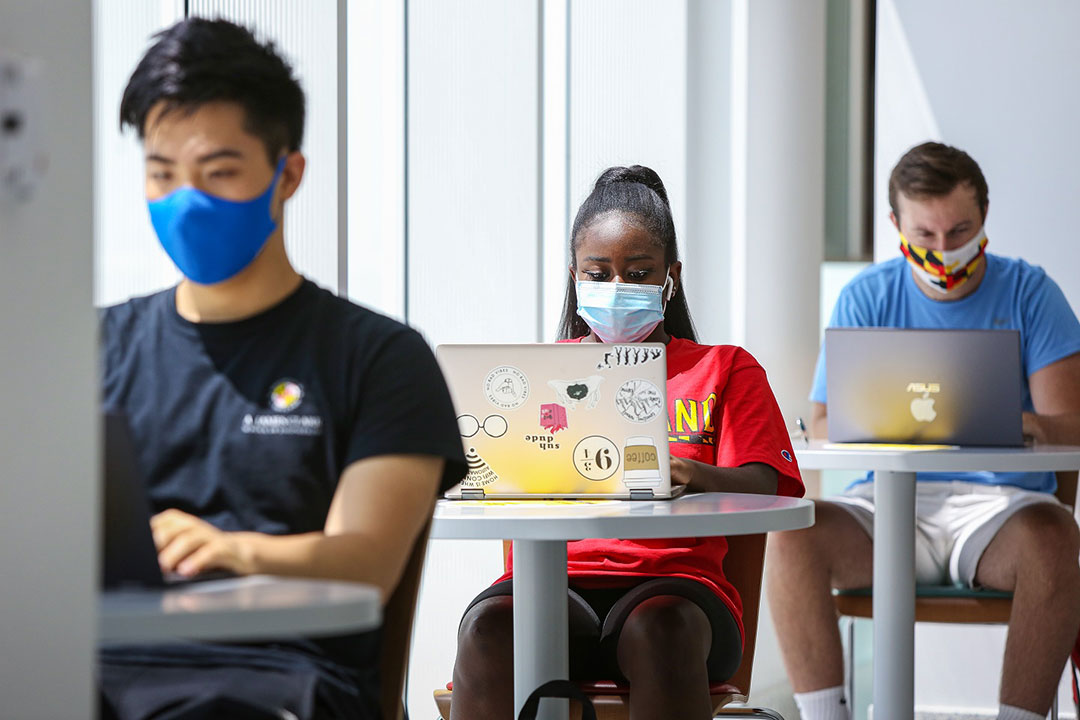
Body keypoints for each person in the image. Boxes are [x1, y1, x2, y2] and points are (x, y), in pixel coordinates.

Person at [99, 18, 465, 720]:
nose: (186, 200)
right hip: (98, 666)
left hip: (274, 678)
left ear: (287, 174)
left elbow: (366, 561)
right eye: (161, 173)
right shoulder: (93, 347)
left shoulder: (379, 358)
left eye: (219, 172)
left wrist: (234, 550)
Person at [449, 165, 804, 720]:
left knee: (662, 628)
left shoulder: (725, 368)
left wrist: (692, 471)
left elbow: (766, 486)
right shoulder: (534, 375)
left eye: (639, 275)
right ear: (575, 276)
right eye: (599, 273)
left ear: (671, 277)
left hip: (677, 588)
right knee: (491, 628)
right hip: (554, 583)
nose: (618, 290)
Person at [767, 141, 1080, 720]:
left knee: (1056, 538)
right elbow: (825, 424)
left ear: (984, 217)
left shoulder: (1031, 294)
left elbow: (1072, 430)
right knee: (793, 539)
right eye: (925, 235)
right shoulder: (867, 295)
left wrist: (1012, 423)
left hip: (1000, 511)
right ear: (895, 225)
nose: (945, 251)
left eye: (961, 231)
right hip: (882, 507)